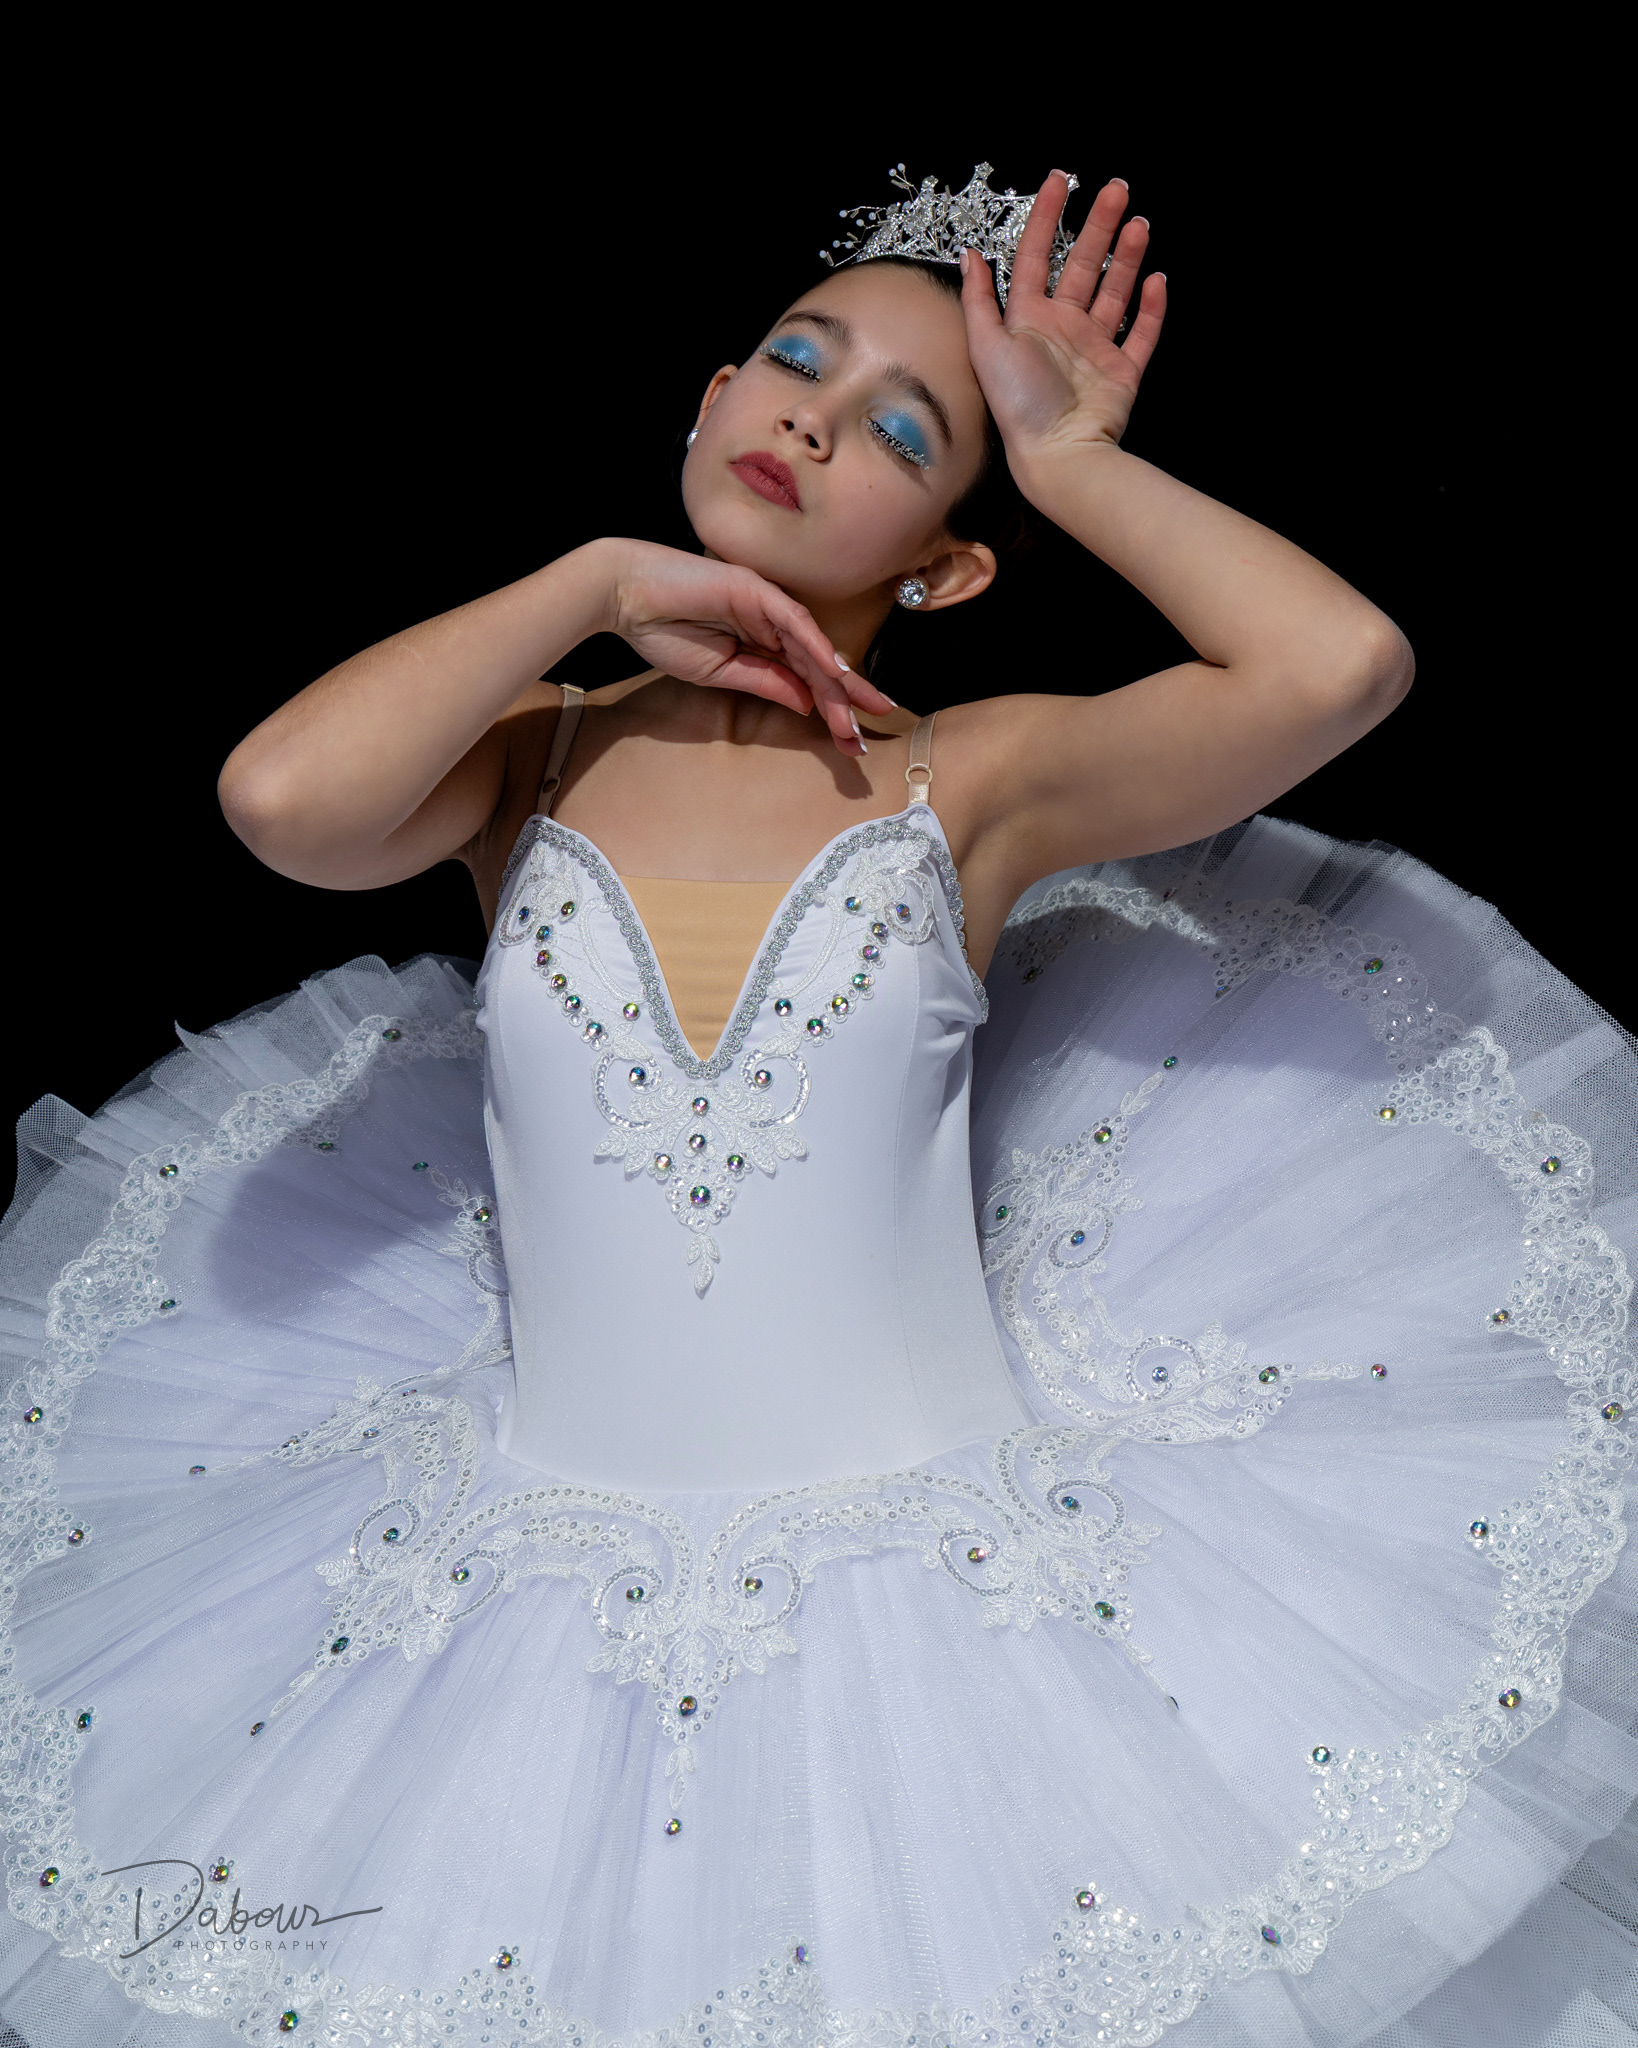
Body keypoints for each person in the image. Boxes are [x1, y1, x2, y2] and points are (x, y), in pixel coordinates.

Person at [1, 166, 1631, 2048]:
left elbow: (1337, 668)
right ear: (710, 397)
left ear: (945, 562)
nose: (814, 419)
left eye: (903, 430)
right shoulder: (527, 755)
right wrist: (598, 585)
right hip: (531, 1621)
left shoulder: (975, 780)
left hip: (958, 1612)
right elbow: (283, 802)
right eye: (795, 361)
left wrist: (1071, 458)